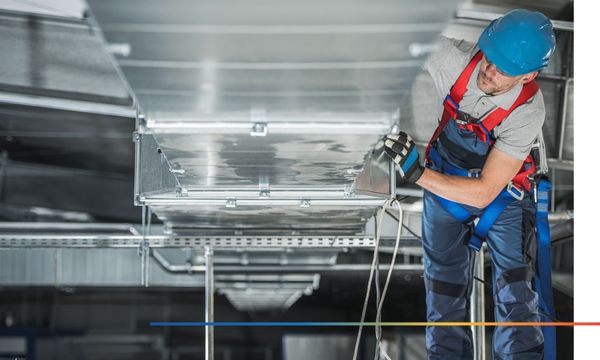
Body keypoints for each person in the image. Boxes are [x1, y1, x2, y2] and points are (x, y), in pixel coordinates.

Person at [383, 9, 557, 360]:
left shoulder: (527, 110)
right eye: (489, 58)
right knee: (443, 295)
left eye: (503, 68)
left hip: (501, 199)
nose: (488, 71)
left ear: (529, 75)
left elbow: (485, 191)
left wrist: (417, 174)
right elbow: (397, 30)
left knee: (516, 295)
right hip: (445, 190)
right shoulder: (454, 61)